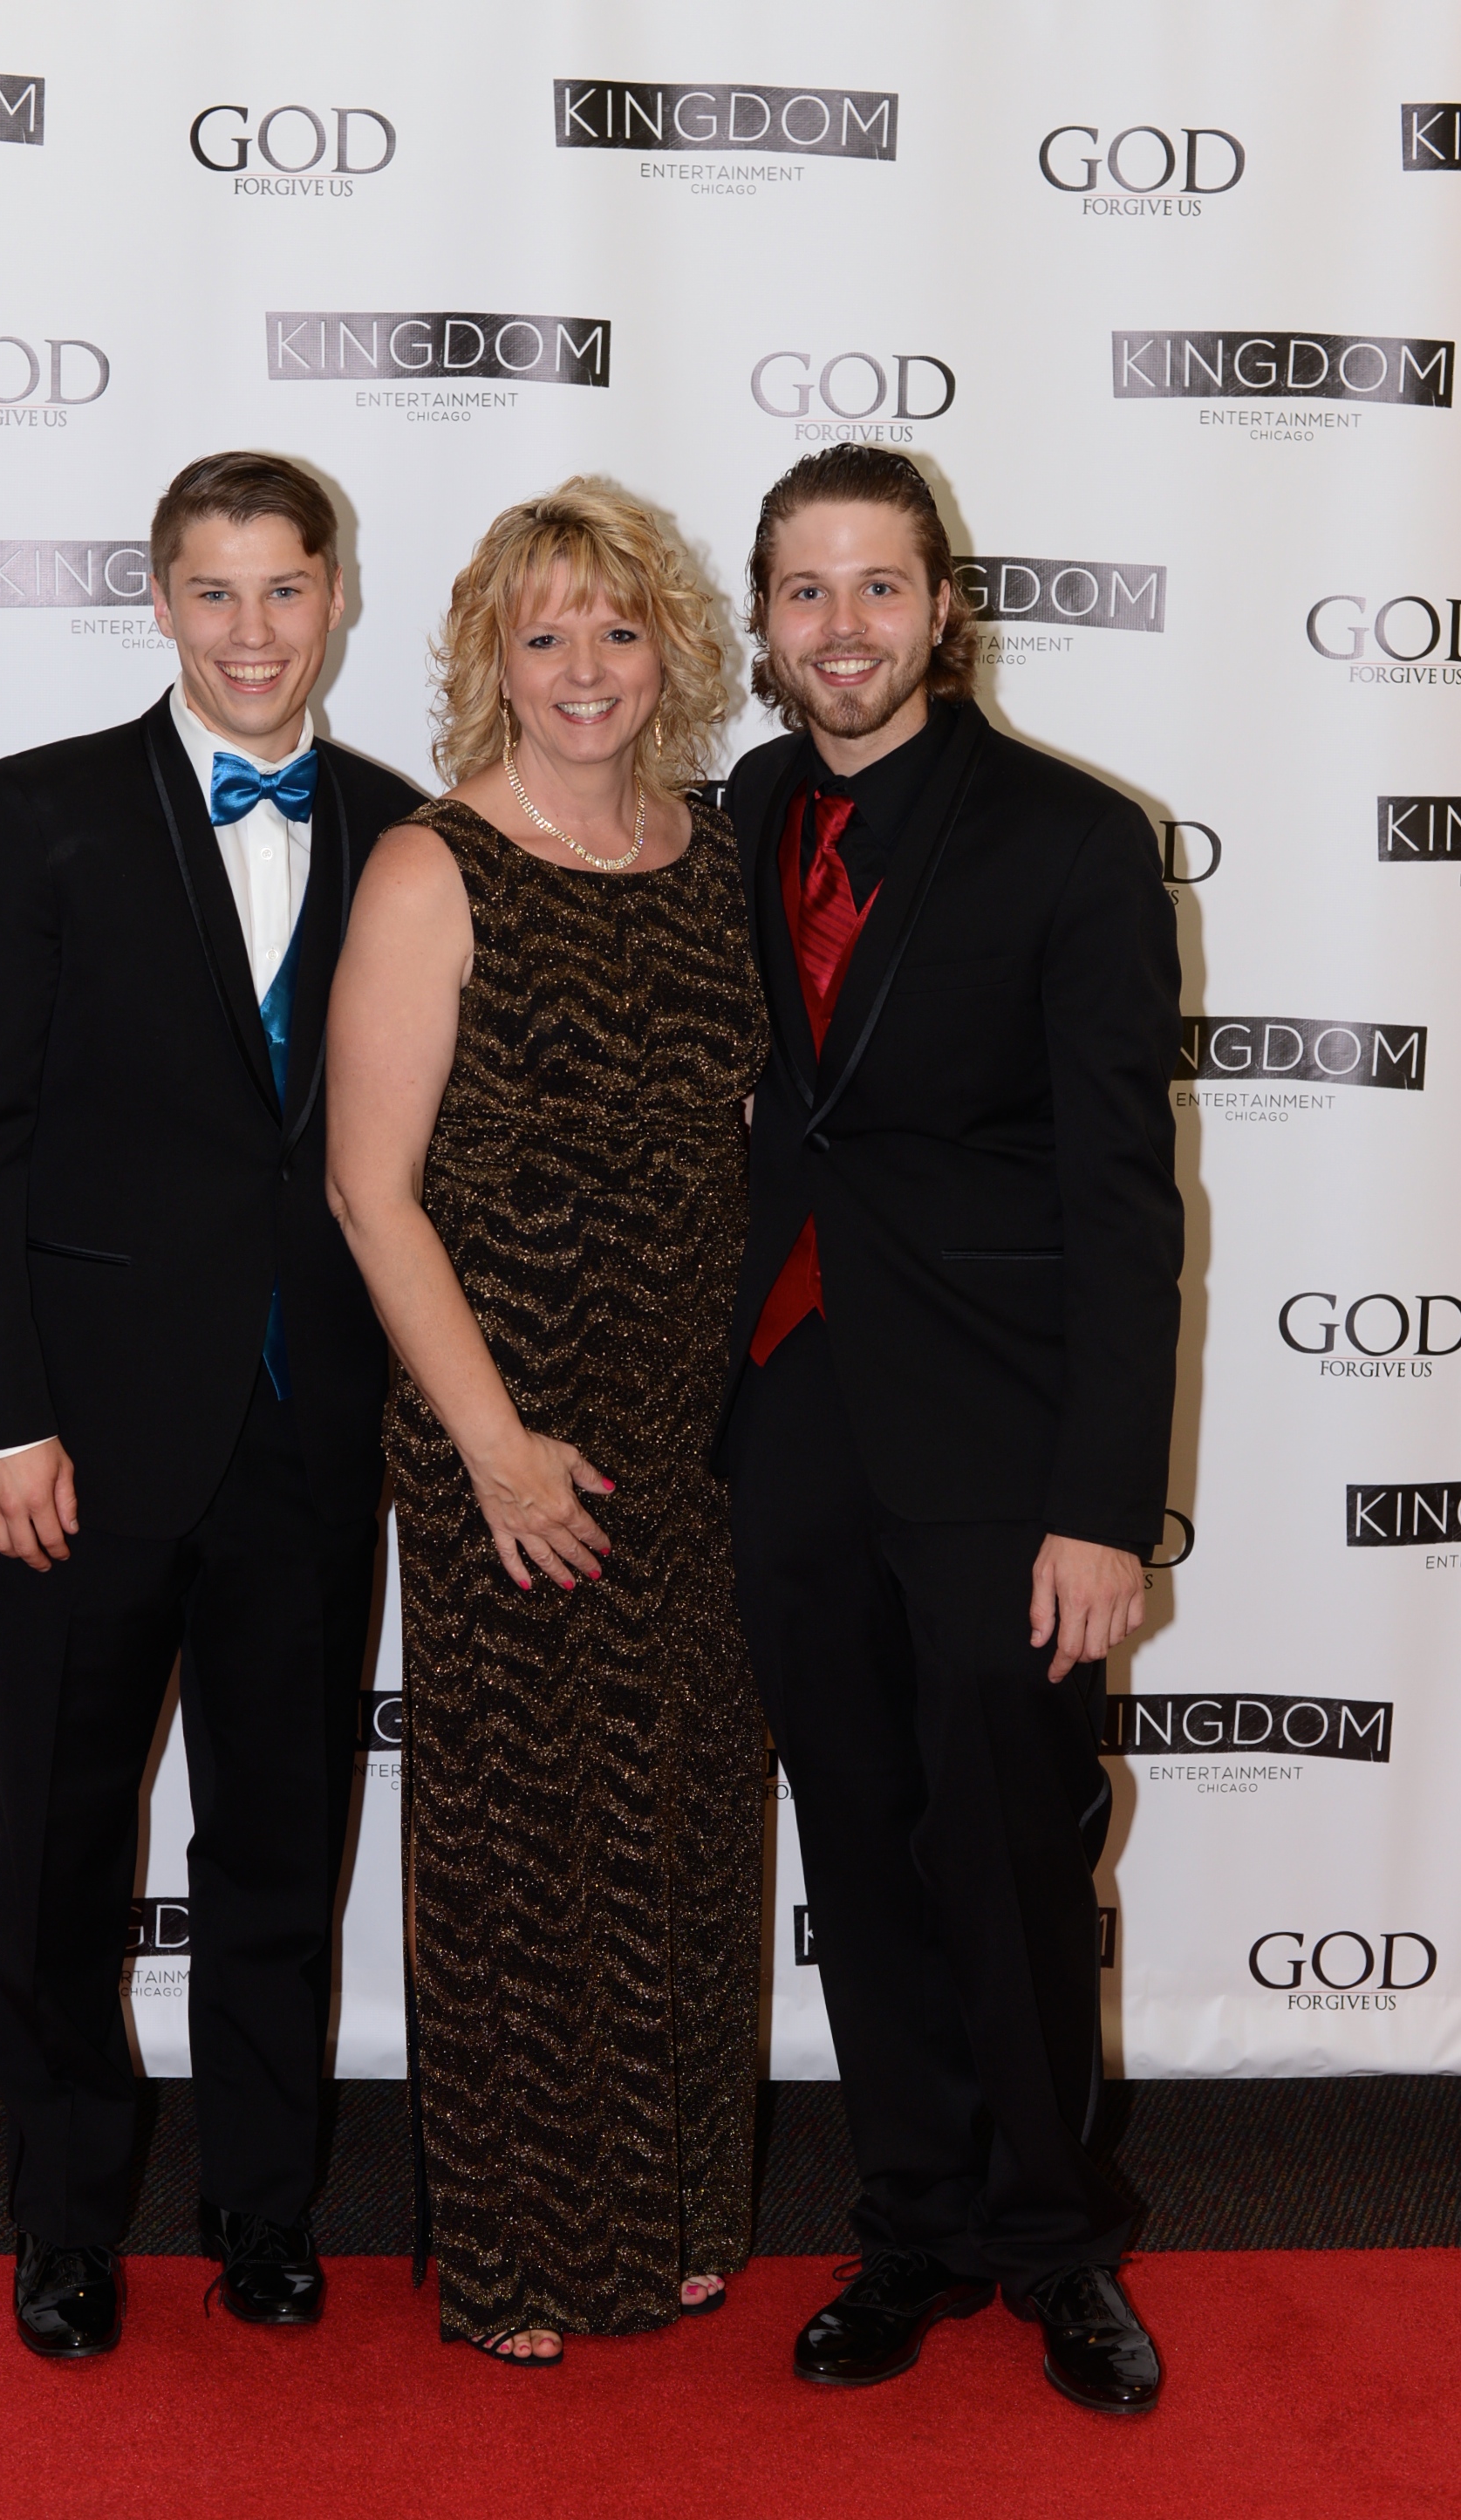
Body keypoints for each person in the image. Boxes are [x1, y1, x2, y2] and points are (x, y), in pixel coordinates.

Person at [0, 452, 420, 2357]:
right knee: (57, 1843)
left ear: (337, 595)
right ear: (158, 601)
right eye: (213, 592)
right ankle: (60, 2213)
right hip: (81, 1444)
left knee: (280, 1845)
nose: (253, 630)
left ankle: (264, 2209)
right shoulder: (38, 814)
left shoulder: (403, 830)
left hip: (309, 1432)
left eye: (285, 589)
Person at [713, 446, 1182, 2414]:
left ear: (943, 606)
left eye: (876, 588)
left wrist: (1104, 1506)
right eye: (804, 592)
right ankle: (907, 2215)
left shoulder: (1072, 840)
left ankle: (1054, 2238)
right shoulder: (737, 810)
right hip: (791, 1408)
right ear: (761, 623)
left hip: (1000, 1432)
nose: (840, 627)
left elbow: (1123, 1197)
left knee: (1008, 1843)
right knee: (858, 1832)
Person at [325, 481, 768, 2365]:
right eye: (541, 632)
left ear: (668, 646)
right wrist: (495, 1445)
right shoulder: (434, 867)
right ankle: (518, 2252)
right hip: (502, 1426)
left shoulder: (718, 851)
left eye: (615, 627)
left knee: (680, 1827)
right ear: (485, 659)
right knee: (519, 1848)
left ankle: (669, 2207)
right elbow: (370, 1189)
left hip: (695, 1429)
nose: (582, 666)